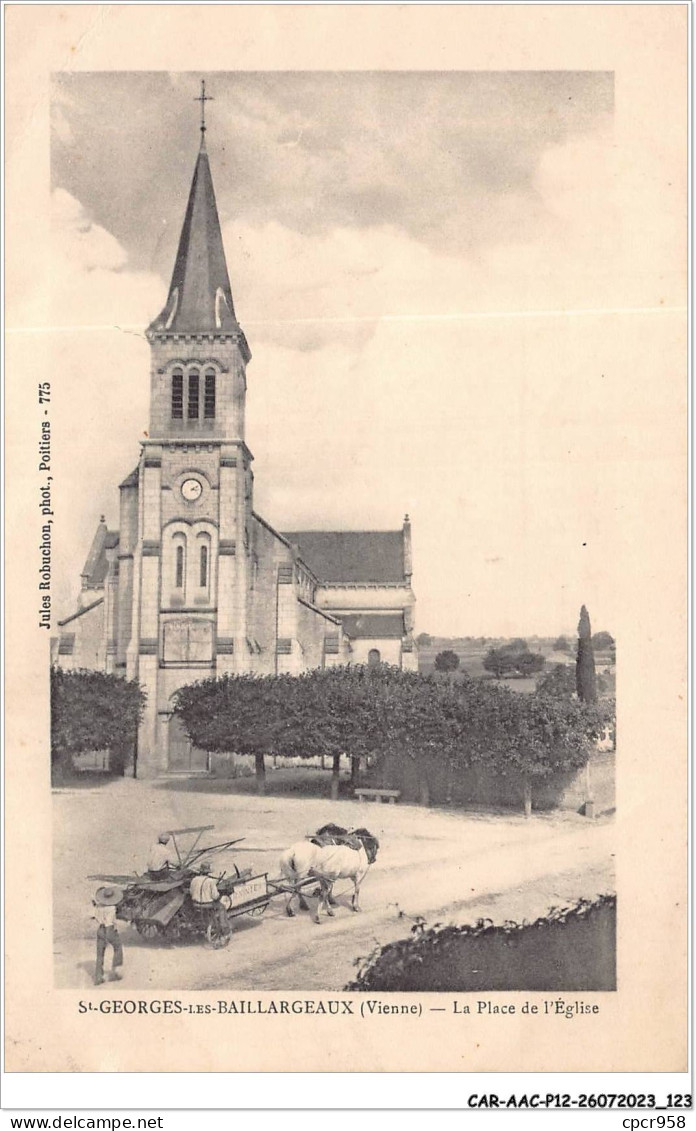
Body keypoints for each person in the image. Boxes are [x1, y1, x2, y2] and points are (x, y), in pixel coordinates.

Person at [92, 886, 124, 986]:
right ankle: (115, 972)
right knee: (118, 948)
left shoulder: (98, 907)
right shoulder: (111, 908)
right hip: (109, 929)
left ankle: (98, 976)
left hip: (100, 929)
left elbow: (94, 913)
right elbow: (109, 922)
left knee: (100, 954)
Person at [190, 861, 229, 931]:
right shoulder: (210, 881)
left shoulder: (194, 880)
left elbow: (191, 892)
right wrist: (219, 895)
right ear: (208, 872)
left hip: (196, 904)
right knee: (222, 907)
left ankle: (206, 923)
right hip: (207, 905)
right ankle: (224, 927)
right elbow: (215, 896)